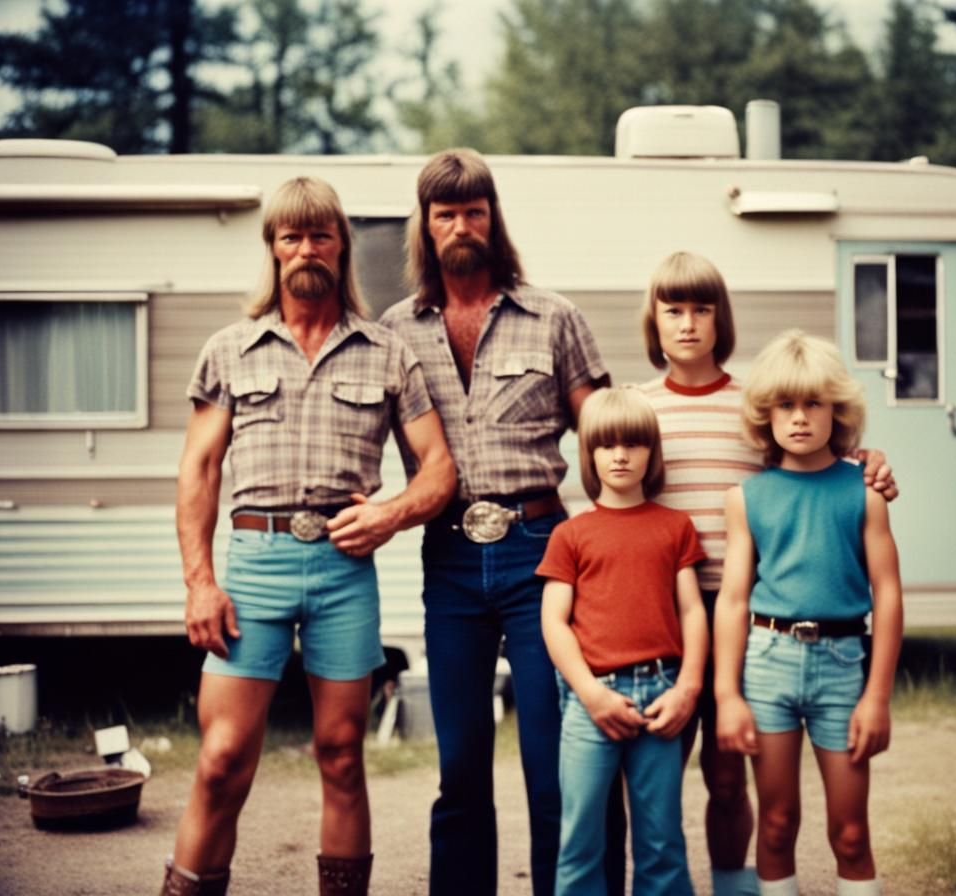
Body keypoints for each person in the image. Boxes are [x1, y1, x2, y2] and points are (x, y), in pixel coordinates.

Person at [162, 176, 456, 896]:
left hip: (341, 572)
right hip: (253, 567)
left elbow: (439, 471)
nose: (305, 249)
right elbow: (198, 472)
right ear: (273, 249)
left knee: (341, 752)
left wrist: (389, 514)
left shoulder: (386, 352)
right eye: (290, 236)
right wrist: (200, 582)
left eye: (320, 235)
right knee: (224, 757)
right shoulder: (230, 350)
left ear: (340, 246)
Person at [379, 148, 610, 896]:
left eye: (474, 211)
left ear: (492, 218)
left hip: (543, 551)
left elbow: (611, 432)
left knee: (554, 763)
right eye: (445, 214)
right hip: (447, 559)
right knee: (462, 767)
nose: (460, 226)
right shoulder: (393, 332)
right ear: (426, 226)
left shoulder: (555, 317)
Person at [636, 251, 897, 896]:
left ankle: (733, 886)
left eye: (703, 310)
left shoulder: (753, 401)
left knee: (731, 779)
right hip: (665, 617)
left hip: (746, 612)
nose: (690, 324)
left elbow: (816, 459)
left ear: (721, 319)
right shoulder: (636, 409)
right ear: (655, 321)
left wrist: (868, 460)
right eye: (674, 310)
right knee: (655, 780)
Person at [712, 329, 904, 896]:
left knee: (849, 833)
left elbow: (888, 593)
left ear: (836, 410)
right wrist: (727, 695)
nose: (799, 417)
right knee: (775, 826)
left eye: (814, 403)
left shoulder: (864, 492)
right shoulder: (746, 499)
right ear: (765, 415)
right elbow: (734, 598)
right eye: (786, 405)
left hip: (844, 665)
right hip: (767, 665)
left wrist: (878, 695)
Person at [538, 387, 708, 896]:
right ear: (589, 455)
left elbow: (692, 611)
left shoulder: (675, 527)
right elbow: (554, 622)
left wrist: (688, 689)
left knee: (661, 840)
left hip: (662, 695)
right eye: (607, 445)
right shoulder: (571, 534)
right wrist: (590, 693)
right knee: (581, 838)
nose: (619, 456)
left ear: (651, 454)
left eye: (632, 445)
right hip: (591, 700)